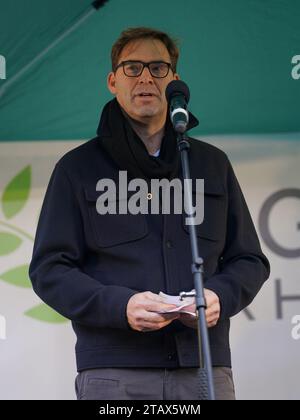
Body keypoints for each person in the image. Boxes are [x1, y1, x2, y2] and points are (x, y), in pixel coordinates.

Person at [29, 27, 270, 400]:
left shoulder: (210, 163)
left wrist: (218, 297)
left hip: (203, 367)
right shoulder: (77, 169)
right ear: (113, 81)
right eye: (132, 67)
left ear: (174, 79)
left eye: (158, 67)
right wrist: (120, 306)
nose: (145, 77)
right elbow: (49, 269)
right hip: (114, 372)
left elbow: (249, 259)